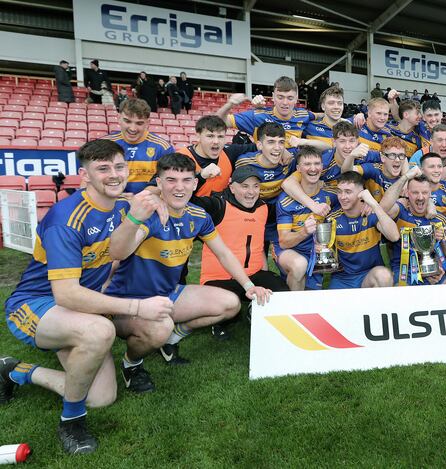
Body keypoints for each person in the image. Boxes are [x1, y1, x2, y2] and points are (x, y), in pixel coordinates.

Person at [1, 140, 174, 454]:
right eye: (102, 168)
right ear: (84, 175)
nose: (113, 174)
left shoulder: (122, 206)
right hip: (37, 304)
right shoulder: (65, 218)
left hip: (83, 304)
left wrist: (138, 217)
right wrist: (137, 306)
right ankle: (71, 422)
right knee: (99, 332)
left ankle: (16, 370)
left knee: (102, 397)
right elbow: (66, 294)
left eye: (118, 167)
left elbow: (119, 251)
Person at [107, 153, 270, 368]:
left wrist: (248, 286)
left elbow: (223, 253)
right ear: (159, 183)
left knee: (231, 304)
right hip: (127, 301)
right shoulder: (149, 214)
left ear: (195, 184)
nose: (179, 187)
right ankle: (132, 364)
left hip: (168, 293)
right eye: (171, 180)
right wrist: (136, 218)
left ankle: (171, 339)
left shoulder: (198, 215)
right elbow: (118, 253)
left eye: (186, 181)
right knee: (160, 327)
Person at [191, 165, 289, 339]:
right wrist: (201, 176)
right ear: (232, 187)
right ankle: (219, 322)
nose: (251, 192)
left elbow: (288, 213)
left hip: (253, 274)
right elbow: (188, 198)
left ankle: (254, 309)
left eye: (256, 186)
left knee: (282, 292)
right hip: (219, 278)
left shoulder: (263, 208)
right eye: (244, 186)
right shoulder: (218, 205)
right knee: (231, 308)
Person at [275, 146, 339, 291]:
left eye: (317, 164)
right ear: (298, 168)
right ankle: (292, 311)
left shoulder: (331, 195)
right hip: (291, 250)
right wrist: (304, 232)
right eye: (307, 164)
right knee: (299, 265)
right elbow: (284, 241)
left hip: (316, 250)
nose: (313, 168)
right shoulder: (285, 200)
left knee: (311, 294)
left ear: (322, 167)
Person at [327, 171, 400, 289]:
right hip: (343, 279)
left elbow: (394, 236)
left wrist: (374, 204)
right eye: (339, 192)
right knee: (332, 307)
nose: (342, 197)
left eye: (348, 192)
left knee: (384, 276)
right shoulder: (332, 219)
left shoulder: (371, 213)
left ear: (361, 193)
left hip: (368, 275)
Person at [234, 122, 296, 256]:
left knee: (285, 260)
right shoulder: (245, 162)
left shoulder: (289, 161)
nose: (277, 147)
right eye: (271, 142)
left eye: (281, 142)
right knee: (255, 258)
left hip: (277, 216)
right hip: (253, 213)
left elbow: (326, 147)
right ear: (259, 145)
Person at [103, 98, 174, 194]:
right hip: (111, 202)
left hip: (147, 203)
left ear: (148, 123)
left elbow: (167, 180)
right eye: (127, 121)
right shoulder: (104, 144)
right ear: (118, 118)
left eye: (139, 123)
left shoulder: (163, 148)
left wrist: (140, 199)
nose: (133, 128)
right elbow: (91, 179)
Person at [217, 76, 314, 145]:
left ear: (296, 98)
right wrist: (229, 104)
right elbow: (219, 123)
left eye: (290, 98)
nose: (285, 102)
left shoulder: (304, 115)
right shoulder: (258, 116)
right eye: (280, 97)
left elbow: (324, 116)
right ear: (273, 97)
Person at [175, 115, 255, 198]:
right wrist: (201, 176)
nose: (216, 141)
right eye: (210, 136)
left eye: (220, 136)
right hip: (188, 208)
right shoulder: (180, 158)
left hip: (218, 208)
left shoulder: (229, 152)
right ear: (198, 136)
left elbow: (259, 146)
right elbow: (175, 193)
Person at [342, 136, 408, 202]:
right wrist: (351, 156)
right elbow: (346, 172)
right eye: (392, 155)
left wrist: (406, 179)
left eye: (401, 155)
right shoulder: (373, 170)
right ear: (383, 157)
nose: (397, 160)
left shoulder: (410, 176)